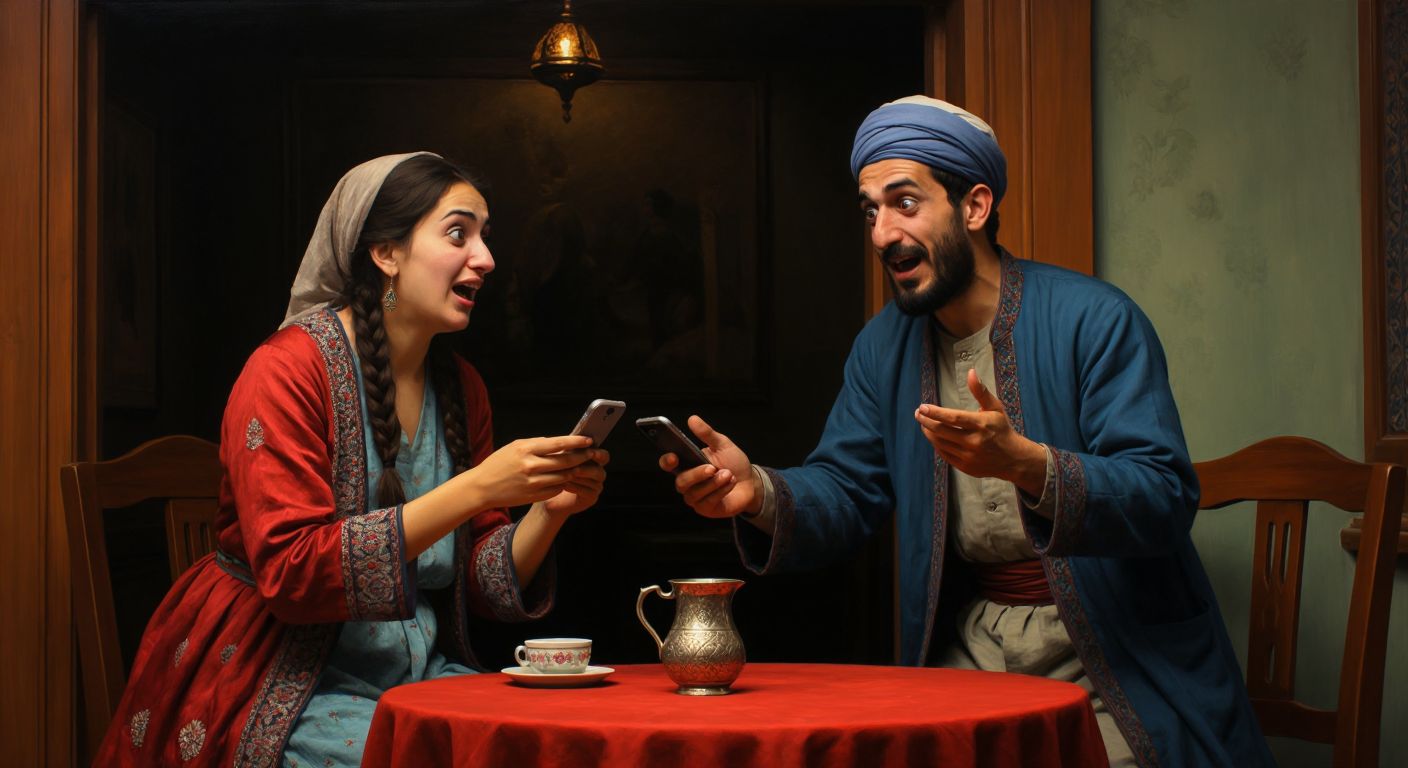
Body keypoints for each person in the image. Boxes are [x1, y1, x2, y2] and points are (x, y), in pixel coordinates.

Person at [658, 96, 1273, 767]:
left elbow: (1163, 496)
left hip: (1113, 659)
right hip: (971, 651)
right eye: (870, 211)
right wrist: (757, 492)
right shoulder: (882, 348)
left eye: (905, 203)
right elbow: (847, 487)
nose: (882, 234)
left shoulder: (1096, 320)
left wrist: (1027, 464)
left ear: (975, 206)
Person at [97, 152, 609, 767]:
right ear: (385, 253)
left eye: (484, 236)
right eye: (458, 234)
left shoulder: (460, 386)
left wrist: (550, 511)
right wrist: (476, 487)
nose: (486, 258)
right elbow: (293, 574)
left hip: (417, 675)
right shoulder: (287, 370)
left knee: (542, 745)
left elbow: (479, 583)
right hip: (282, 678)